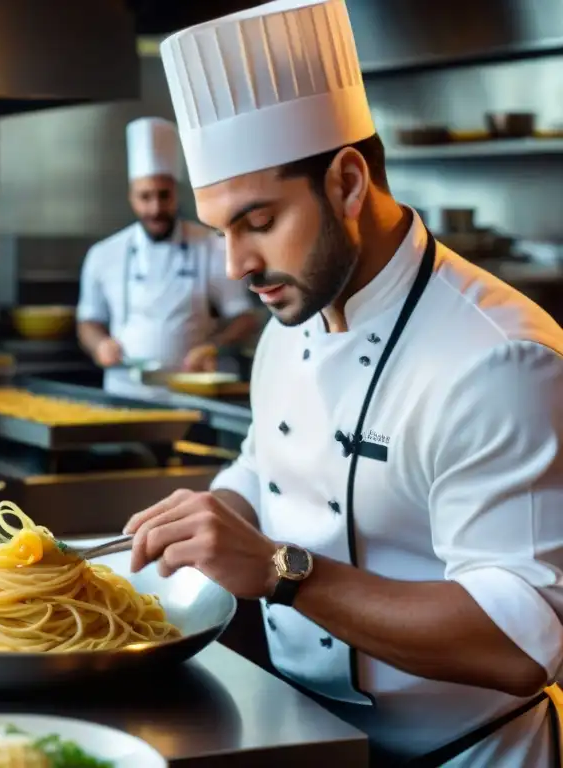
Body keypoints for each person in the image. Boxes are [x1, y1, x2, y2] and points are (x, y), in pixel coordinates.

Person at [124, 1, 563, 766]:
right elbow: (267, 466)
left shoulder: (500, 358)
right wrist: (211, 514)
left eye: (257, 221)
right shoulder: (291, 319)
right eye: (220, 229)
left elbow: (521, 640)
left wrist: (276, 570)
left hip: (462, 752)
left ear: (348, 181)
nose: (235, 265)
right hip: (307, 737)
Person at [76, 117, 259, 395]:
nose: (155, 207)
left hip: (190, 398)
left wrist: (215, 346)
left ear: (176, 193)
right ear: (131, 197)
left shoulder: (213, 246)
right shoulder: (103, 254)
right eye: (145, 197)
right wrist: (100, 344)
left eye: (164, 195)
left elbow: (245, 318)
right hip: (124, 395)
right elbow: (88, 321)